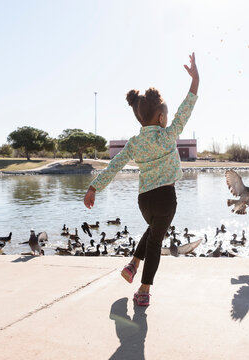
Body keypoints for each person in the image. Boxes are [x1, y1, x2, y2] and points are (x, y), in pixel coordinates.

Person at [84, 53, 199, 306]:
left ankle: (133, 264)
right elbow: (186, 109)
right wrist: (195, 80)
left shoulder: (135, 143)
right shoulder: (168, 135)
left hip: (144, 200)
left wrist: (94, 187)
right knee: (156, 241)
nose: (169, 119)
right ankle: (144, 289)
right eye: (166, 116)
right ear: (160, 118)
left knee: (152, 230)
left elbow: (114, 166)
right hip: (166, 198)